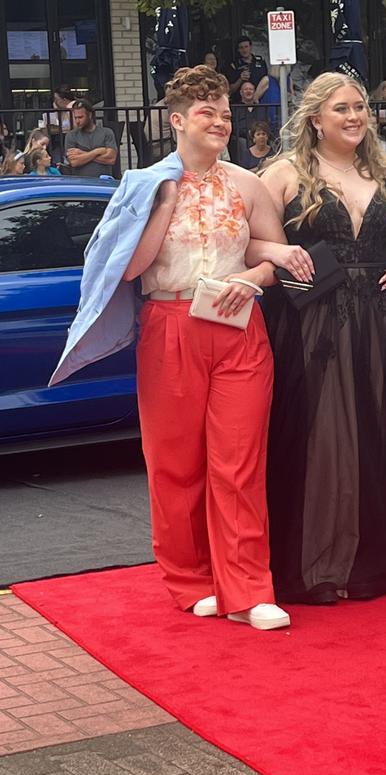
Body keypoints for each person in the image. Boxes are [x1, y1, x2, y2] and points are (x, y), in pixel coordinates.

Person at [50, 65, 294, 631]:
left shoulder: (247, 184)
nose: (220, 122)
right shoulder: (143, 185)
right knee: (176, 463)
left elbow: (274, 262)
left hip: (237, 324)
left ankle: (249, 588)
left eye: (226, 113)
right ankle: (190, 580)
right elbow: (128, 269)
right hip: (170, 322)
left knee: (238, 463)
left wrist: (252, 278)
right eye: (208, 113)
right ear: (178, 120)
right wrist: (164, 202)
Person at [256, 72, 386, 605]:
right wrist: (277, 254)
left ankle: (379, 555)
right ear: (315, 118)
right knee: (324, 438)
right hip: (314, 328)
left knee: (380, 428)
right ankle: (319, 563)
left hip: (384, 321)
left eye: (360, 106)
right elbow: (253, 246)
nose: (355, 116)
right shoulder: (284, 175)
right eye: (342, 109)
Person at [64, 99, 117, 177]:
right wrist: (97, 152)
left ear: (90, 115)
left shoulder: (107, 132)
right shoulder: (71, 135)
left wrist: (81, 153)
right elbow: (74, 162)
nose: (77, 121)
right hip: (81, 182)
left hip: (103, 181)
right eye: (76, 118)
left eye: (81, 117)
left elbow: (111, 159)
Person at [231, 81, 267, 163]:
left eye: (251, 89)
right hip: (242, 137)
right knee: (241, 142)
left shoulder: (261, 108)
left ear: (254, 92)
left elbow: (265, 124)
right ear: (241, 93)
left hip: (258, 136)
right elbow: (234, 126)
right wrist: (248, 134)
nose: (248, 91)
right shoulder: (235, 109)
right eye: (246, 89)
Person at [228, 36, 268, 103]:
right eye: (241, 48)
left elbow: (267, 81)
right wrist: (240, 79)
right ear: (238, 50)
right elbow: (230, 90)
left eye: (246, 47)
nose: (244, 50)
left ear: (251, 47)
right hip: (240, 104)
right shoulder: (234, 65)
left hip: (261, 102)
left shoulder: (260, 61)